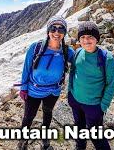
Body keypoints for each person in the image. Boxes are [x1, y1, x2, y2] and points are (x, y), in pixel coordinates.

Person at [18, 16, 74, 150]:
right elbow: (26, 68)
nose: (57, 32)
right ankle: (23, 140)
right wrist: (24, 87)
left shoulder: (67, 51)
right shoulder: (35, 48)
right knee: (28, 116)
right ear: (48, 30)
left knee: (47, 113)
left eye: (61, 29)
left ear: (64, 33)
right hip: (33, 90)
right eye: (53, 28)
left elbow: (81, 63)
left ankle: (45, 137)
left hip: (53, 91)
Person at [68, 21, 114, 150]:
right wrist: (70, 94)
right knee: (79, 129)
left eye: (90, 37)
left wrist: (103, 107)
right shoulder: (78, 52)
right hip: (76, 101)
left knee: (96, 136)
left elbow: (111, 85)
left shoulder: (107, 58)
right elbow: (73, 72)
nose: (86, 40)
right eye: (83, 37)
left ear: (97, 39)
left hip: (94, 105)